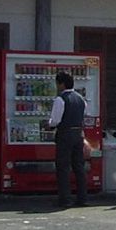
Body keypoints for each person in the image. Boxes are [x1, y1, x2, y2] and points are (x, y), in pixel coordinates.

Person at [48, 71, 89, 207]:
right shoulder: (81, 99)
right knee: (79, 166)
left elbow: (55, 120)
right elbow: (84, 115)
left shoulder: (60, 99)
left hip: (65, 134)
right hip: (79, 134)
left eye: (57, 84)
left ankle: (65, 199)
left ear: (62, 84)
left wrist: (49, 125)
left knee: (63, 167)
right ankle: (82, 198)